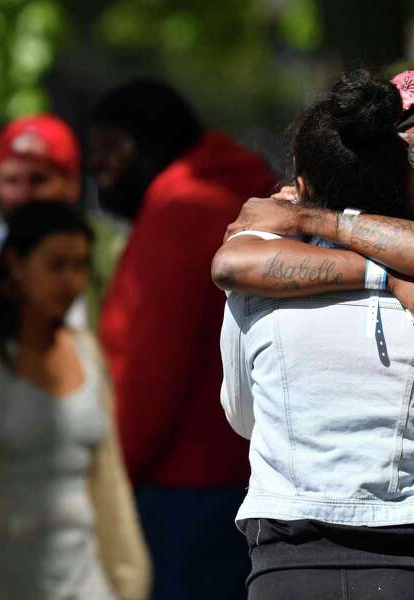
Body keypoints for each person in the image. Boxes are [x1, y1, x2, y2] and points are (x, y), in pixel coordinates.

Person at [215, 66, 414, 600]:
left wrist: (319, 220)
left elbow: (245, 414)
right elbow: (230, 261)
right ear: (387, 151)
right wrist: (392, 279)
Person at [88, 79, 278, 600]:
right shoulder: (236, 190)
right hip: (247, 475)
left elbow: (151, 371)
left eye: (111, 148)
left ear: (148, 141)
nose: (98, 167)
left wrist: (113, 481)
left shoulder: (180, 208)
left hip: (186, 493)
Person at [0, 202, 150, 600]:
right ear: (15, 265)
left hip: (89, 581)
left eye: (81, 266)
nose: (71, 280)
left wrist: (128, 576)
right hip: (3, 579)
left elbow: (109, 476)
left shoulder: (87, 351)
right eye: (56, 265)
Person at [0, 114, 81, 311]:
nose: (23, 194)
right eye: (11, 180)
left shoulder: (112, 254)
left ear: (72, 184)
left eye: (38, 179)